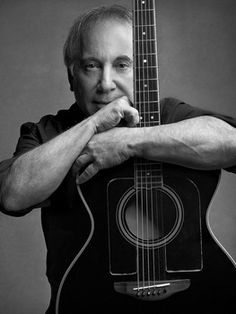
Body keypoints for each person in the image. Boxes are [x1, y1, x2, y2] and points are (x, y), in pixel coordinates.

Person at [0, 4, 236, 314]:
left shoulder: (169, 117)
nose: (106, 83)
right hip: (87, 300)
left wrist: (129, 142)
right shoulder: (49, 132)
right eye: (91, 66)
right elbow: (12, 195)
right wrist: (94, 125)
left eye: (122, 64)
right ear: (72, 75)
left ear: (144, 71)